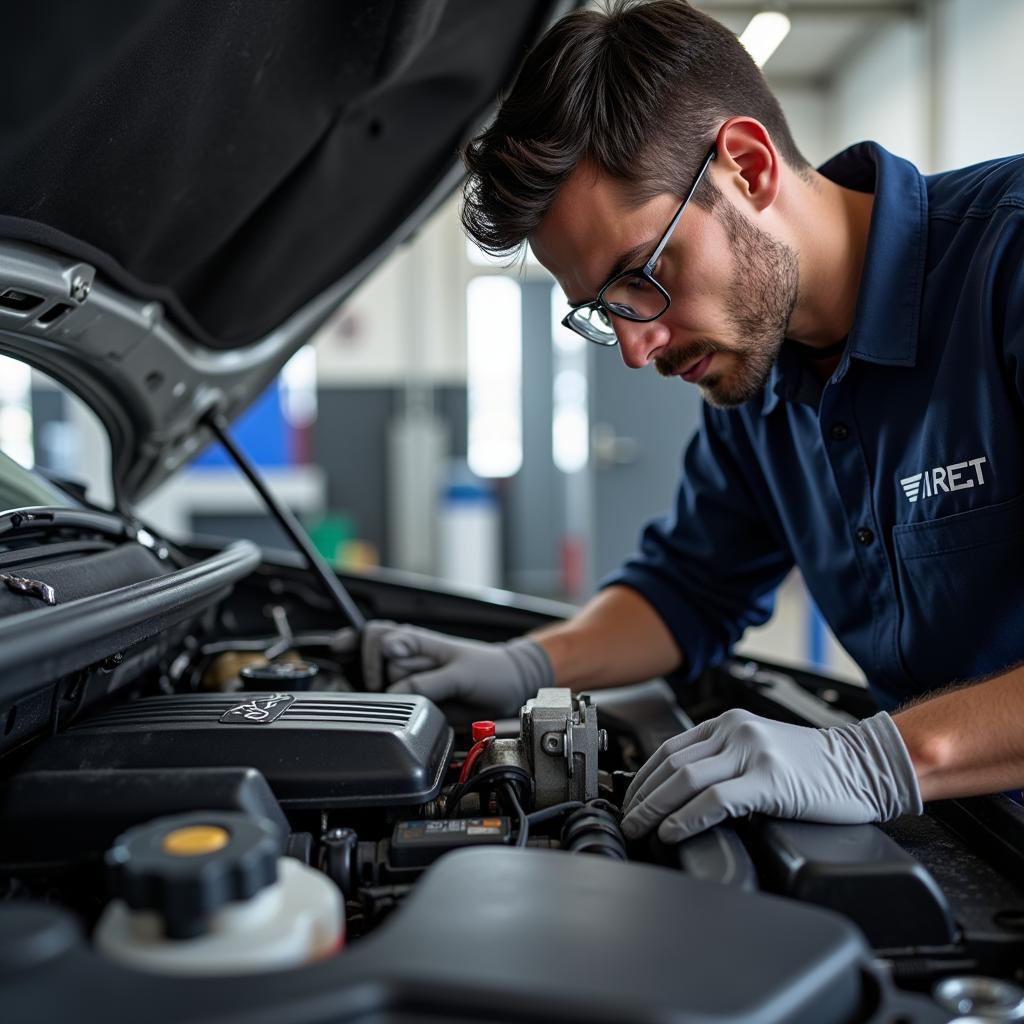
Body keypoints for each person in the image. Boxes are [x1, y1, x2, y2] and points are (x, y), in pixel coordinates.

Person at [339, 0, 1024, 844]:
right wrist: (527, 665)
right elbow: (687, 593)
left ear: (747, 165)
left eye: (641, 274)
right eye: (601, 310)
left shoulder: (1009, 262)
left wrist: (879, 761)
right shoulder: (758, 379)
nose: (635, 348)